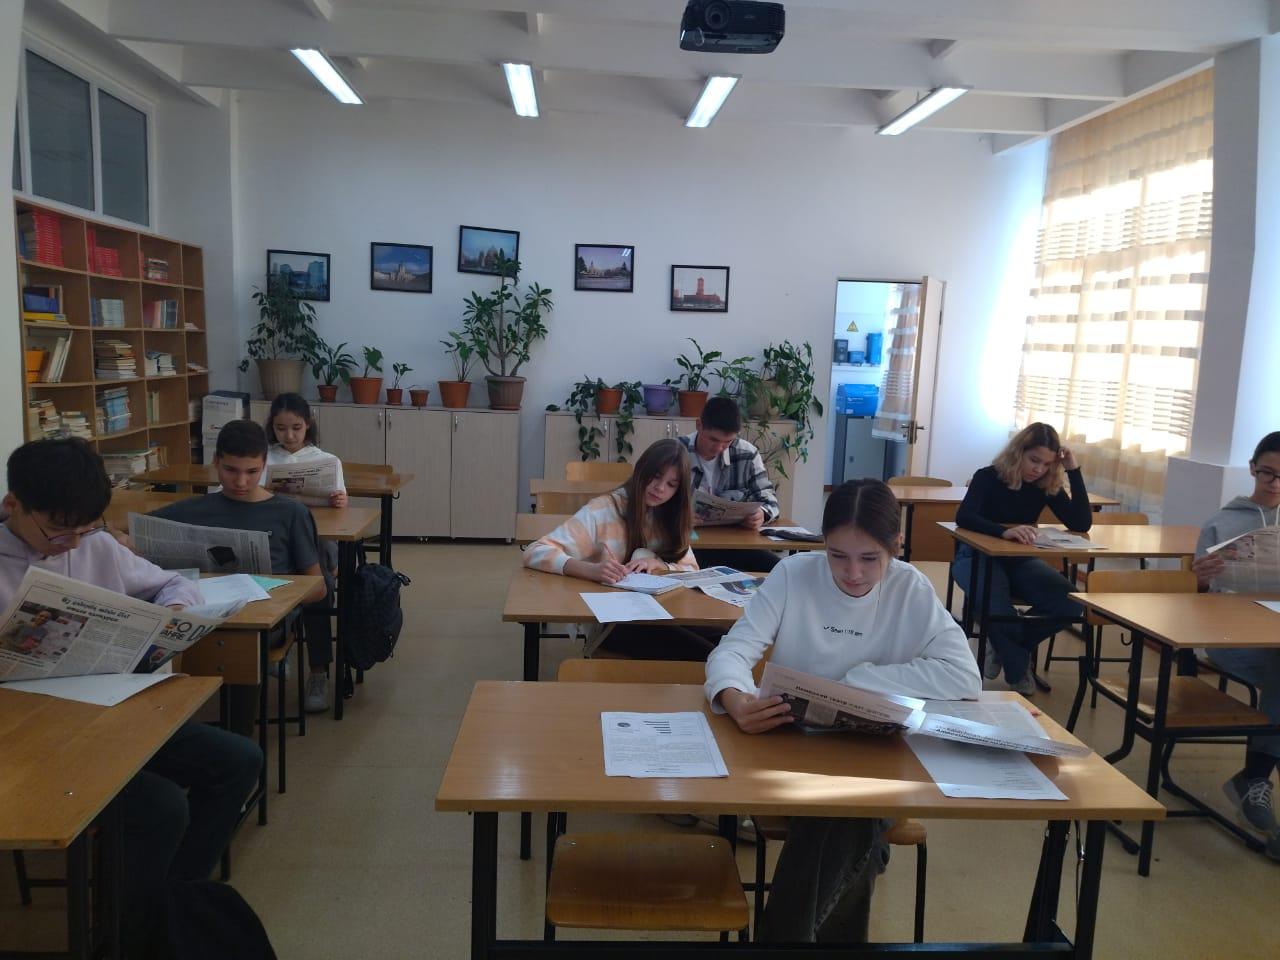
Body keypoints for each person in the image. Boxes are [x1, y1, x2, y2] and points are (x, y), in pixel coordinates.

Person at [0, 438, 261, 954]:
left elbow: (172, 585)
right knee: (160, 807)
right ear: (13, 506)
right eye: (57, 531)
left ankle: (166, 897)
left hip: (108, 715)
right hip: (27, 740)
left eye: (84, 529)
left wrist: (175, 613)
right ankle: (126, 938)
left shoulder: (94, 546)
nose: (71, 544)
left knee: (238, 760)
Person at [705, 479, 980, 943]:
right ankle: (866, 852)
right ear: (823, 544)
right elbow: (731, 652)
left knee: (847, 809)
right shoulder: (793, 576)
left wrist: (863, 680)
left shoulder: (910, 588)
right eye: (837, 556)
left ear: (895, 546)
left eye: (870, 558)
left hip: (880, 766)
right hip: (794, 760)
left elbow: (964, 677)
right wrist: (735, 699)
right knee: (852, 826)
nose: (852, 573)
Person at [149, 420, 334, 712]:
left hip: (266, 619)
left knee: (241, 642)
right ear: (216, 462)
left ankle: (237, 729)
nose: (241, 482)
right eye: (230, 470)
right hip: (206, 612)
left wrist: (279, 597)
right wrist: (119, 537)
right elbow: (135, 532)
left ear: (264, 466)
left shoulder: (290, 513)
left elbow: (318, 588)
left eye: (252, 472)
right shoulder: (196, 508)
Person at [524, 439, 712, 659]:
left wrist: (659, 564)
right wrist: (590, 570)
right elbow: (535, 551)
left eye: (671, 484)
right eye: (656, 476)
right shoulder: (604, 509)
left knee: (723, 637)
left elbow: (692, 570)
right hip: (611, 620)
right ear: (641, 470)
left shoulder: (670, 516)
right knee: (710, 654)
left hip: (665, 610)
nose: (660, 488)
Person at [1190, 431, 1280, 858]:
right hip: (1230, 637)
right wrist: (1199, 579)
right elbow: (1195, 602)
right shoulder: (1221, 523)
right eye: (1267, 473)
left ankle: (1254, 778)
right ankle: (1255, 779)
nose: (1275, 484)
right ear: (1252, 469)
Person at [953, 422, 1092, 695]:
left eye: (1047, 464)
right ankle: (1018, 668)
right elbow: (965, 516)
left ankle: (1002, 644)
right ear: (1018, 453)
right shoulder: (988, 476)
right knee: (997, 605)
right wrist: (1003, 531)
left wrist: (1073, 470)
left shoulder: (1044, 484)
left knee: (1070, 601)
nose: (1039, 469)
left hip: (1018, 560)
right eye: (1034, 460)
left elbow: (1080, 522)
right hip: (975, 557)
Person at [676, 396, 782, 573]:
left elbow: (769, 500)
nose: (719, 448)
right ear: (699, 425)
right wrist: (676, 517)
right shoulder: (675, 452)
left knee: (779, 570)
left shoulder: (747, 454)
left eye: (727, 442)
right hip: (685, 544)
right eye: (713, 439)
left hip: (735, 545)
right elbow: (645, 502)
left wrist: (762, 514)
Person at [262, 392, 349, 508]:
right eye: (281, 428)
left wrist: (340, 500)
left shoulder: (328, 461)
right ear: (272, 426)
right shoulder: (263, 458)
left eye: (296, 428)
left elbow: (340, 498)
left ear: (307, 424)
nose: (289, 436)